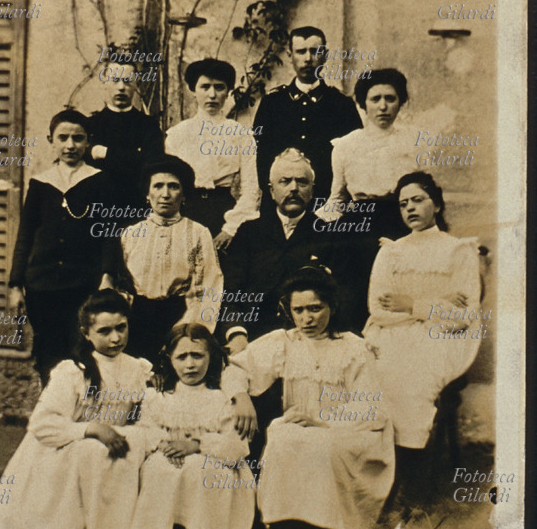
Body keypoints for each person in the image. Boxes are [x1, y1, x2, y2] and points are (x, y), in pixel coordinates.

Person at [224, 266, 395, 529]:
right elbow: (235, 367)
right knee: (282, 439)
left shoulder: (353, 347)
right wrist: (241, 396)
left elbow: (371, 408)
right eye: (299, 310)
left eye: (316, 308)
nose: (307, 318)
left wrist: (322, 420)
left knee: (322, 447)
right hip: (297, 426)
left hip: (345, 431)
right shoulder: (284, 341)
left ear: (332, 305)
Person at [0, 290, 151, 529]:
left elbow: (142, 414)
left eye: (121, 328)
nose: (115, 338)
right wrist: (90, 428)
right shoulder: (74, 371)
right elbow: (42, 424)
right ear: (86, 333)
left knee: (134, 441)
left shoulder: (138, 369)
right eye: (104, 331)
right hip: (61, 449)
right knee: (90, 451)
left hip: (110, 445)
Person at [363, 172, 481, 500]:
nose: (410, 208)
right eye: (403, 204)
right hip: (392, 334)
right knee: (374, 376)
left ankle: (412, 486)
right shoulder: (391, 252)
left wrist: (411, 303)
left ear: (437, 204)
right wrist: (437, 301)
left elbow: (462, 317)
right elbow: (379, 308)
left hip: (443, 339)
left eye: (418, 200)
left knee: (416, 377)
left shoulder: (459, 251)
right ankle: (380, 479)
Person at [132, 323, 255, 529]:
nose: (190, 365)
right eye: (182, 357)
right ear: (170, 359)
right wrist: (166, 445)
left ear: (211, 356)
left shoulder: (221, 398)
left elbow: (236, 446)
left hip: (216, 461)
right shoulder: (158, 397)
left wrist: (197, 445)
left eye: (197, 356)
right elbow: (145, 430)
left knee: (199, 469)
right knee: (157, 467)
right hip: (169, 454)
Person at [8, 109, 109, 386]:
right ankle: (51, 411)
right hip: (42, 286)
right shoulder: (41, 183)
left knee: (82, 351)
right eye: (63, 138)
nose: (70, 145)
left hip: (83, 284)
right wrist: (16, 285)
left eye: (78, 138)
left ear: (88, 142)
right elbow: (25, 235)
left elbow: (109, 234)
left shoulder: (98, 181)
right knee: (48, 353)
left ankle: (81, 415)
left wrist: (107, 275)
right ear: (51, 140)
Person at [221, 148, 357, 352]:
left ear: (312, 190)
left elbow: (343, 296)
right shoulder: (249, 233)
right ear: (271, 190)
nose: (294, 188)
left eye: (302, 182)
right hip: (254, 339)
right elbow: (230, 292)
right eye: (284, 181)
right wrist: (237, 333)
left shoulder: (329, 235)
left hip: (312, 341)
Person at [314, 68, 418, 330]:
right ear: (363, 104)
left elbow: (422, 195)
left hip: (400, 225)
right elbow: (337, 197)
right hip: (357, 229)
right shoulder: (346, 145)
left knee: (397, 299)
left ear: (401, 101)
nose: (383, 106)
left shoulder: (413, 143)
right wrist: (311, 227)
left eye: (390, 98)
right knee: (354, 299)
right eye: (375, 99)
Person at [101, 155, 223, 366]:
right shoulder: (131, 234)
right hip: (136, 321)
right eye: (158, 186)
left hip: (180, 318)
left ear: (183, 194)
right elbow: (122, 284)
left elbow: (208, 289)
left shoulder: (198, 233)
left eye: (173, 187)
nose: (165, 194)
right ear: (148, 194)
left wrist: (187, 333)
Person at [253, 26, 362, 202]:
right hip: (279, 205)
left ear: (325, 55)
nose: (308, 59)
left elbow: (354, 158)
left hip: (326, 204)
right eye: (301, 52)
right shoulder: (271, 104)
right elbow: (260, 157)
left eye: (315, 51)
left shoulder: (342, 104)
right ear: (290, 56)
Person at [165, 58, 260, 250]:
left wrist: (231, 228)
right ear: (193, 90)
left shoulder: (241, 134)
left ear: (228, 92)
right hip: (185, 211)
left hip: (225, 212)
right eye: (205, 87)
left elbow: (251, 189)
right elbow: (167, 185)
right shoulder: (176, 134)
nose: (212, 95)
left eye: (219, 87)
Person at [86, 63, 164, 215]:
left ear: (136, 85)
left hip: (137, 206)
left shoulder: (148, 125)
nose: (121, 87)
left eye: (128, 81)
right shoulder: (90, 125)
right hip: (97, 208)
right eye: (115, 80)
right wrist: (134, 156)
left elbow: (152, 164)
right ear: (105, 84)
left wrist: (105, 153)